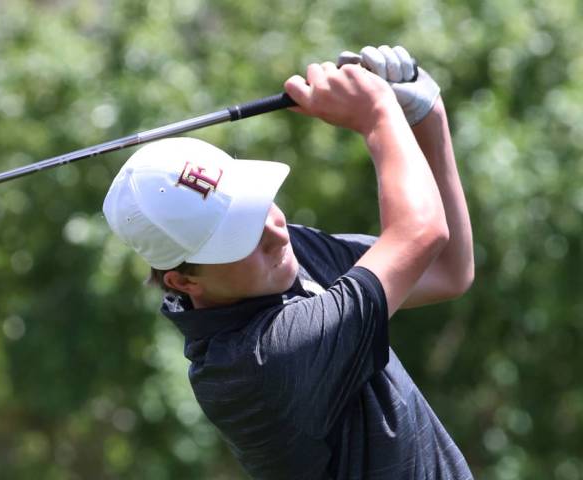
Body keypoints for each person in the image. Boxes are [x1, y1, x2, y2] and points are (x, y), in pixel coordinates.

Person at [102, 45, 474, 479]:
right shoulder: (260, 363)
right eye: (240, 235)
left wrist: (425, 115)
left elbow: (446, 269)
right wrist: (378, 115)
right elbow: (420, 233)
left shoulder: (275, 263)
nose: (277, 232)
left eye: (257, 207)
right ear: (184, 282)